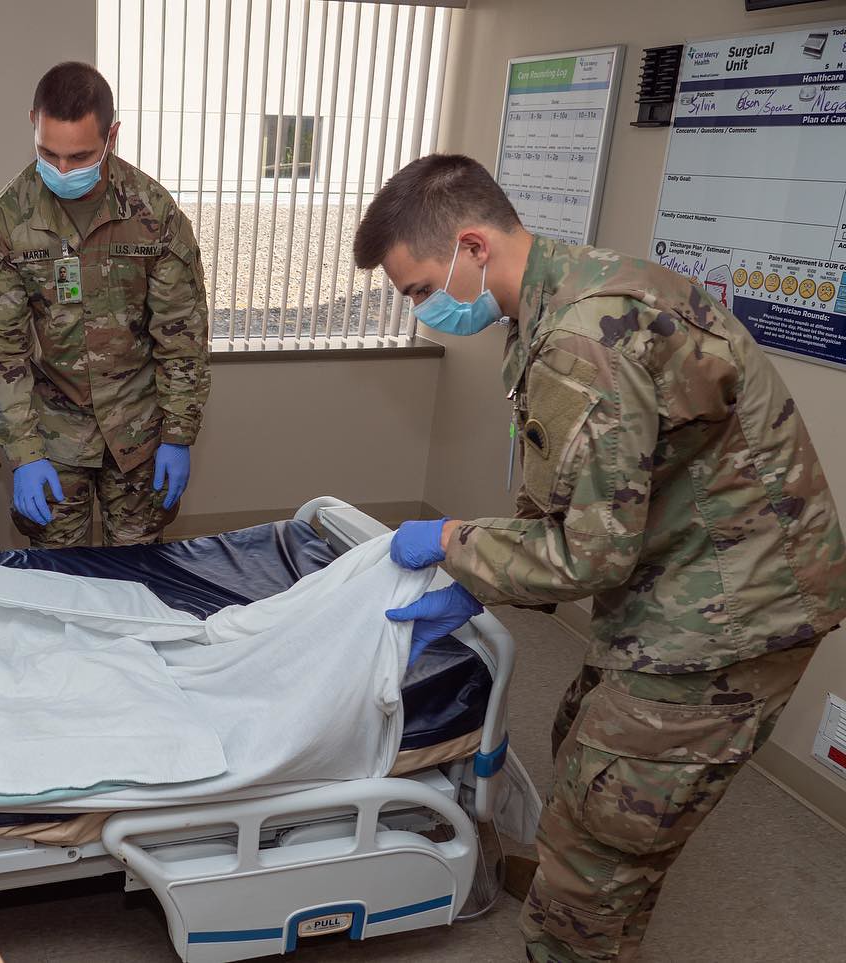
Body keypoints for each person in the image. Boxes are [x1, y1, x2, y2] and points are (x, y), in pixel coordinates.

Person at [354, 154, 846, 962]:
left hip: (736, 612)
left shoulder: (583, 339)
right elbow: (570, 493)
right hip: (689, 565)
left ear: (471, 247)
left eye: (417, 290)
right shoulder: (563, 295)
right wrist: (479, 580)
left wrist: (452, 542)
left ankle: (579, 917)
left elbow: (590, 555)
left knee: (602, 832)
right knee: (580, 734)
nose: (421, 311)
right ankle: (591, 877)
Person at [0, 61, 210, 547]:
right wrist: (24, 452)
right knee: (60, 587)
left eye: (79, 157)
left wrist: (179, 434)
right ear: (32, 121)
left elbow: (181, 335)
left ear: (112, 136)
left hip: (139, 433)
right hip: (52, 437)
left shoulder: (153, 213)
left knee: (141, 583)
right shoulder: (7, 221)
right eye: (47, 153)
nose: (61, 170)